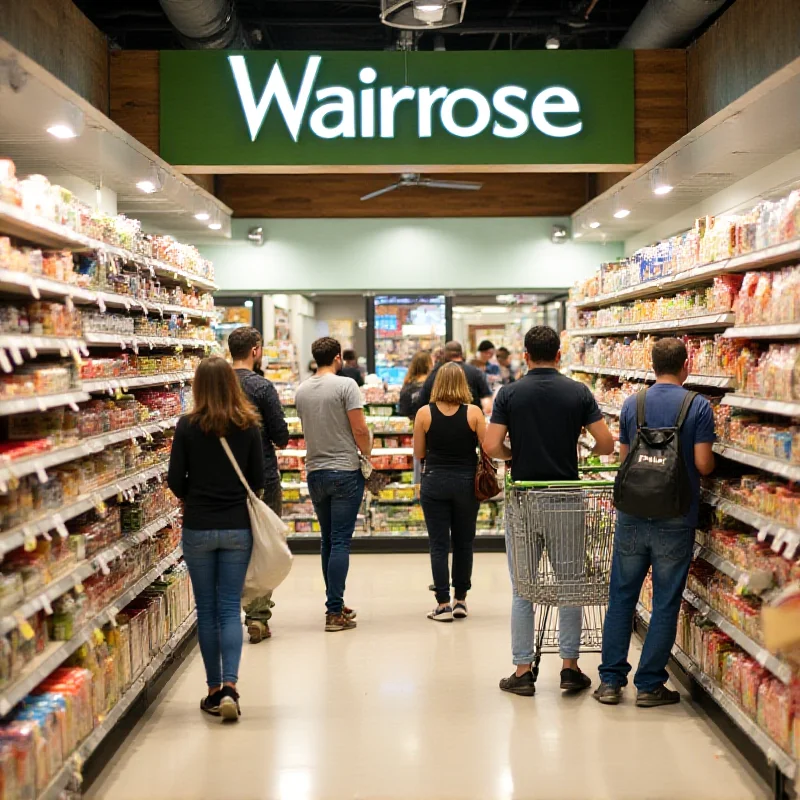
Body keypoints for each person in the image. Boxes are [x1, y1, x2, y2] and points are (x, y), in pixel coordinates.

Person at [483, 326, 615, 697]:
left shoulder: (509, 393)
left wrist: (515, 455)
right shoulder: (578, 392)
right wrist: (581, 450)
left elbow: (492, 445)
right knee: (570, 584)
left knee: (523, 587)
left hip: (525, 499)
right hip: (567, 498)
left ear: (525, 356)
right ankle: (570, 668)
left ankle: (523, 670)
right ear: (559, 355)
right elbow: (605, 444)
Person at [595, 338, 715, 707]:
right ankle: (649, 685)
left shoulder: (634, 403)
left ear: (651, 365)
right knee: (665, 601)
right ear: (686, 365)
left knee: (621, 597)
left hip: (632, 513)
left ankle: (611, 682)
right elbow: (703, 464)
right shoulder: (698, 406)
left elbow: (625, 459)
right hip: (676, 516)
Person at [167, 356, 264, 721]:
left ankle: (211, 691)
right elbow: (257, 480)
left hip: (199, 527)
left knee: (207, 611)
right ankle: (231, 687)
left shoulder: (187, 426)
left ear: (198, 386)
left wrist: (199, 490)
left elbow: (176, 481)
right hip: (237, 526)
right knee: (228, 610)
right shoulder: (248, 425)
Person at [295, 337, 371, 632]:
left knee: (327, 539)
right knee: (340, 540)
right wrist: (367, 453)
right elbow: (359, 428)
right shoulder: (345, 386)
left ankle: (335, 602)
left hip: (315, 471)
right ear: (338, 358)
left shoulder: (302, 389)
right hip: (344, 471)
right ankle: (334, 611)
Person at [228, 326, 290, 644]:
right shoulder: (262, 387)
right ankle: (257, 616)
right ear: (255, 350)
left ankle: (230, 609)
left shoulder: (216, 386)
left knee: (234, 545)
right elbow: (281, 435)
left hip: (224, 479)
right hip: (262, 477)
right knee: (263, 546)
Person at [414, 363, 486, 622]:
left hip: (434, 482)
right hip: (467, 483)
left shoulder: (424, 413)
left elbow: (419, 453)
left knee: (439, 544)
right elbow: (486, 448)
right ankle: (461, 601)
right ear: (463, 384)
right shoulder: (474, 413)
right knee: (464, 542)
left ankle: (442, 603)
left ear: (437, 384)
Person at [417, 341, 493, 414]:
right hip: (470, 421)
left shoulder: (436, 372)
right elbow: (487, 403)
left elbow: (423, 400)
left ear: (445, 354)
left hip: (439, 421)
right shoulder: (475, 372)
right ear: (461, 353)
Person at [398, 351, 433, 420]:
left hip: (411, 423)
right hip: (429, 423)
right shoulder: (432, 383)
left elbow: (403, 410)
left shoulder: (408, 385)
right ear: (428, 364)